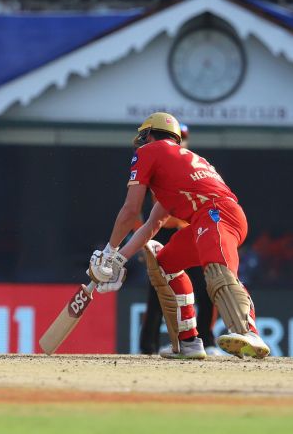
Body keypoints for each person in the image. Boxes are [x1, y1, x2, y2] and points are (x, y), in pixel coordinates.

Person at [87, 112, 269, 360]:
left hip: (216, 214)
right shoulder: (176, 169)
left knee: (218, 270)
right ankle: (189, 342)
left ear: (149, 135)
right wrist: (119, 259)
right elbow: (152, 224)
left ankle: (249, 332)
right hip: (209, 219)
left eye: (144, 138)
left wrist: (108, 251)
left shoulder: (149, 152)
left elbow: (130, 211)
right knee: (163, 265)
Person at [137, 124, 218, 355]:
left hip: (190, 232)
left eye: (182, 138)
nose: (180, 141)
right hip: (160, 231)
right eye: (176, 137)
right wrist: (141, 240)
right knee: (157, 290)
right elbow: (136, 208)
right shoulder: (155, 165)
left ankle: (206, 341)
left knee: (204, 287)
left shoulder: (194, 164)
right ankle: (147, 346)